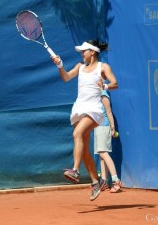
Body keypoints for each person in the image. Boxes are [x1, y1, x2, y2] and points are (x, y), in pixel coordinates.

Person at [52, 40, 118, 201]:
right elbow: (66, 77)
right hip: (78, 108)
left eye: (84, 51)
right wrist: (60, 65)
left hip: (94, 109)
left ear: (93, 52)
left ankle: (75, 170)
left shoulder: (103, 67)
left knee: (77, 133)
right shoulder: (79, 67)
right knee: (84, 150)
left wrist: (105, 87)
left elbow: (115, 83)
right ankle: (96, 182)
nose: (82, 54)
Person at [94, 88, 123, 193]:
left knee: (103, 153)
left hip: (104, 126)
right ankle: (104, 182)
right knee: (101, 155)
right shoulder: (96, 94)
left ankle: (116, 181)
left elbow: (109, 112)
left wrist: (112, 128)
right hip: (97, 126)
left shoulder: (103, 94)